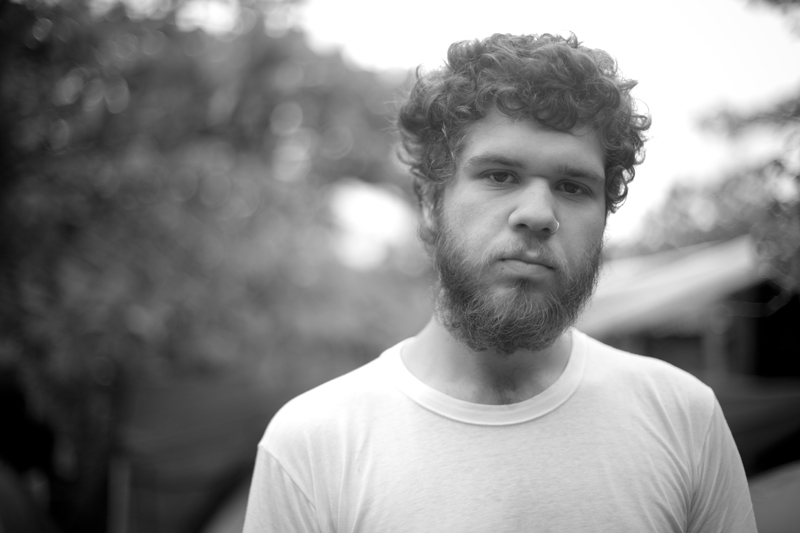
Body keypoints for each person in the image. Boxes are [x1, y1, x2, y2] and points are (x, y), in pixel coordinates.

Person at [242, 33, 757, 532]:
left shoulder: (683, 418)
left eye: (573, 186)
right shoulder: (312, 444)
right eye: (499, 176)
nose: (537, 214)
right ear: (428, 203)